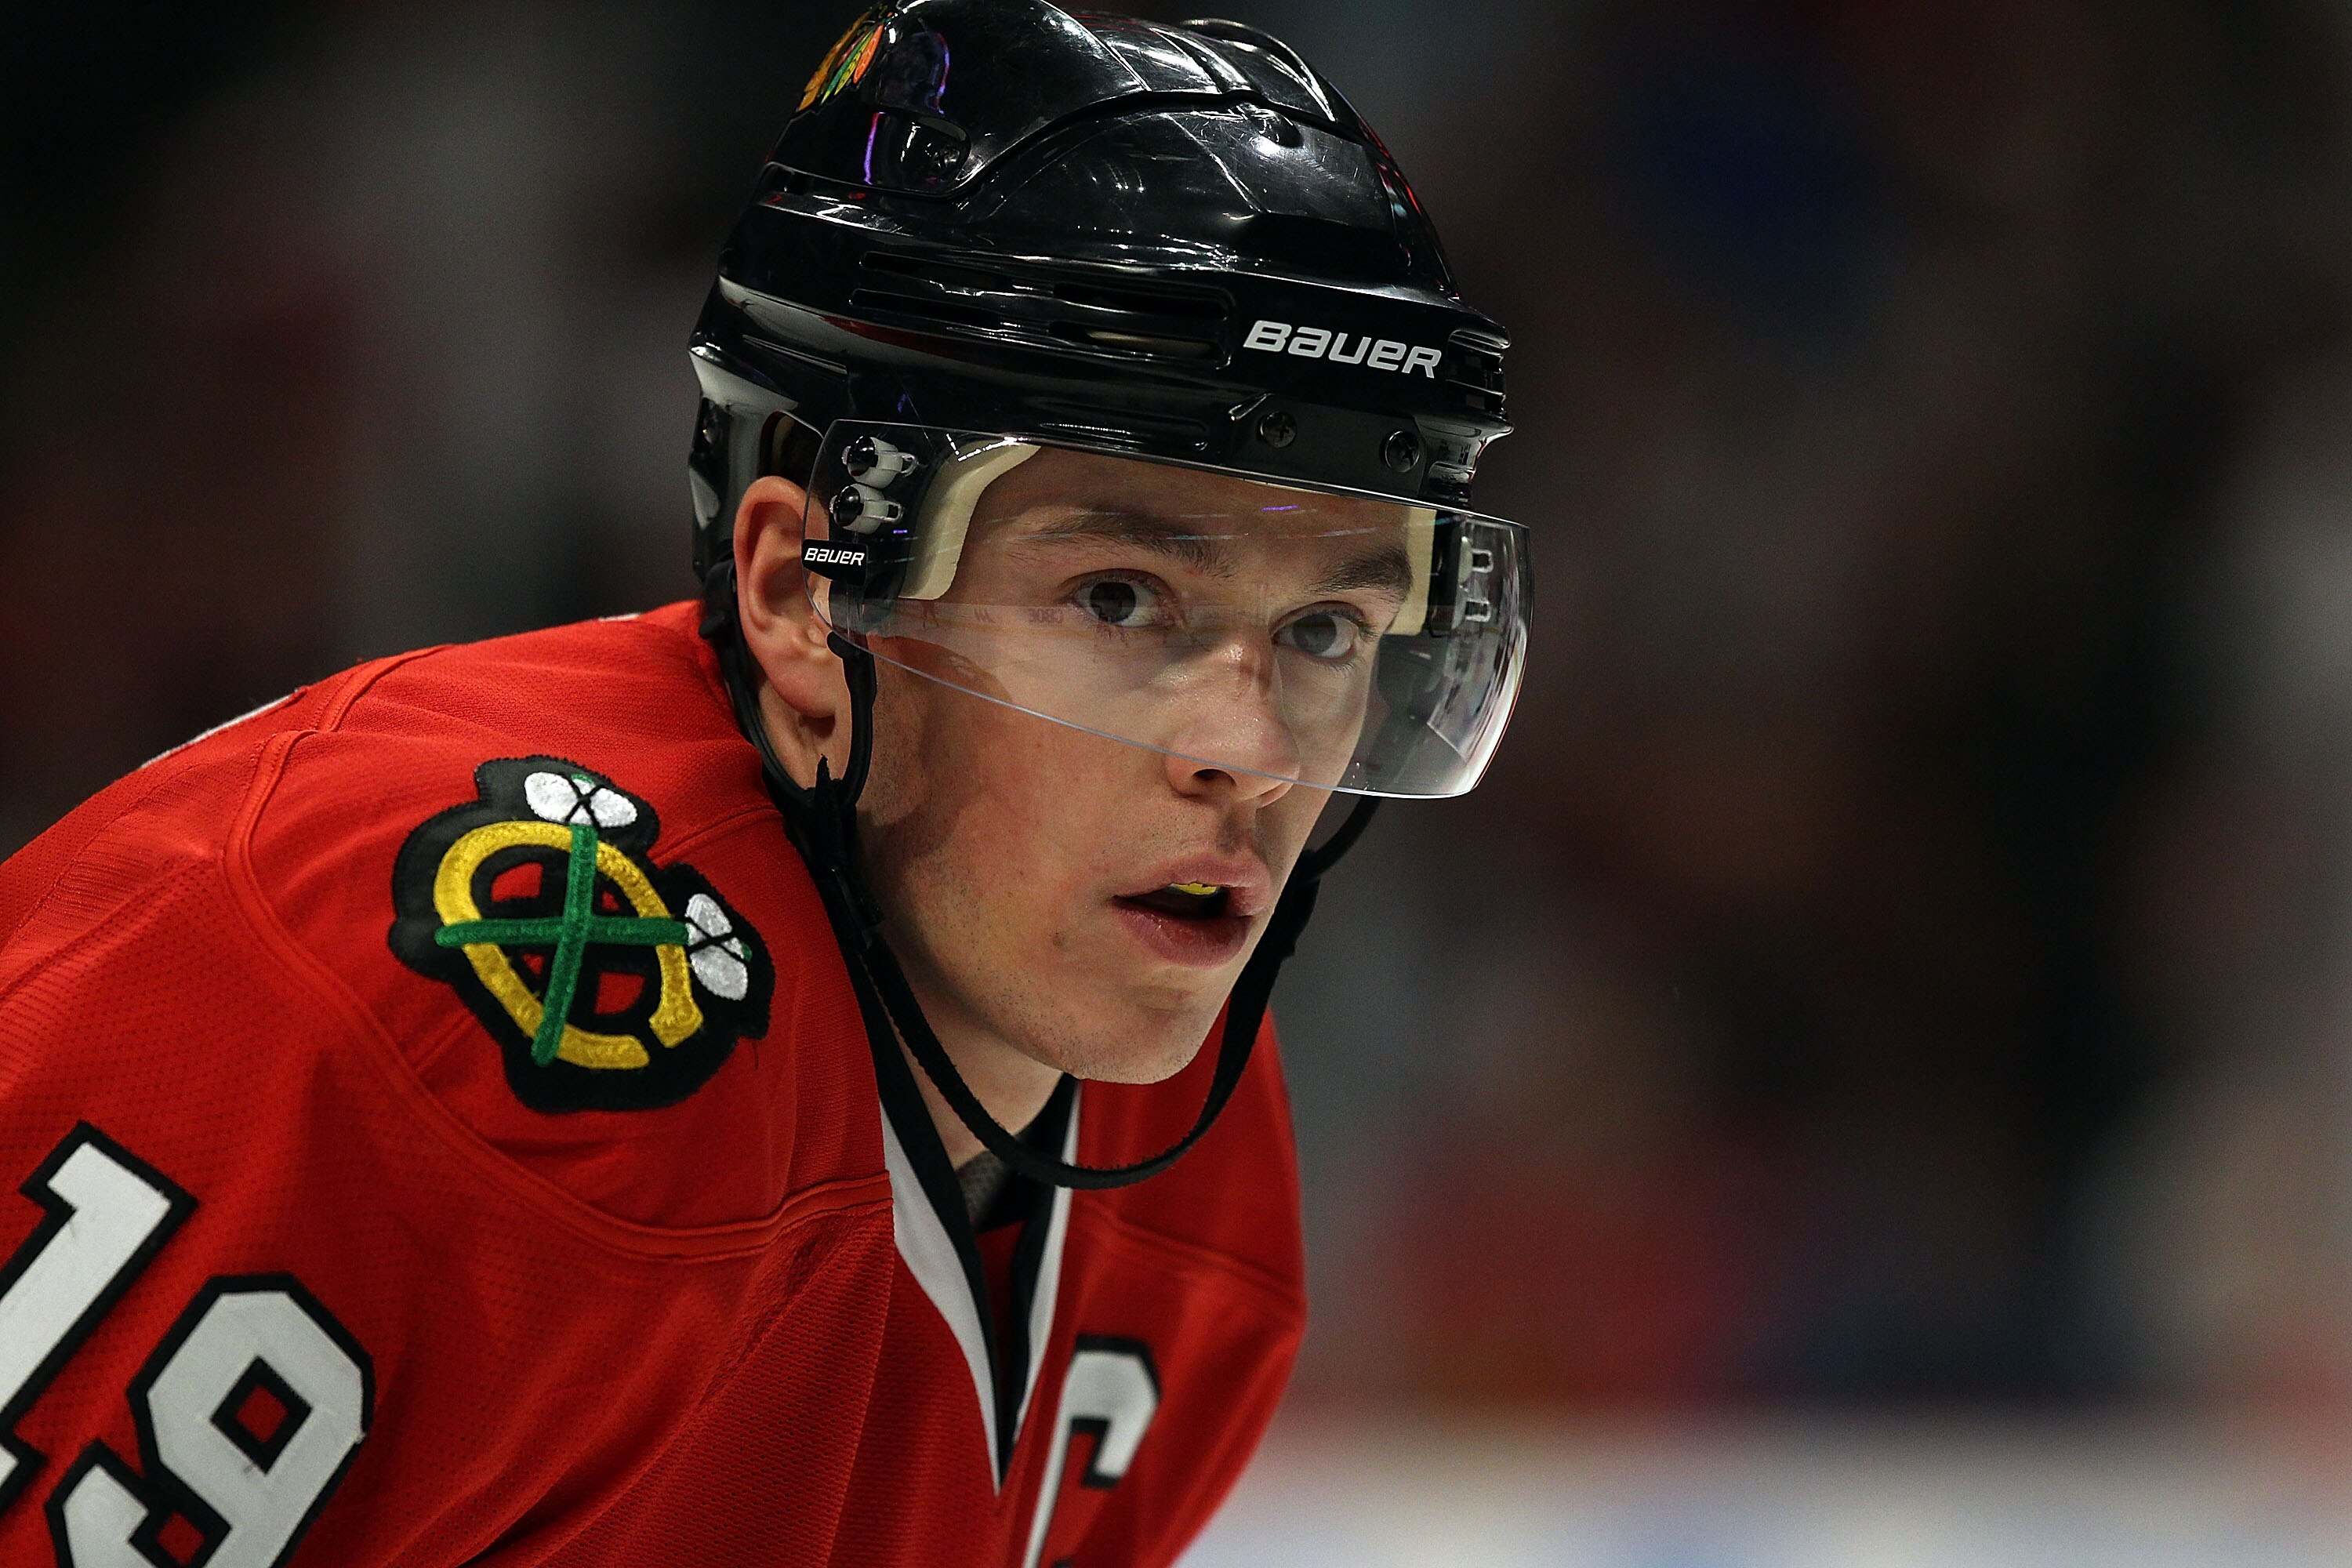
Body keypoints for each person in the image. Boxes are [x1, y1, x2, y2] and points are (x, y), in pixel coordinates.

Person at [0, 3, 1528, 1564]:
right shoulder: (437, 1008)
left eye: (1330, 625)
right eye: (1122, 598)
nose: (1255, 750)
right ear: (804, 592)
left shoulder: (1186, 1189)